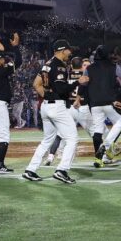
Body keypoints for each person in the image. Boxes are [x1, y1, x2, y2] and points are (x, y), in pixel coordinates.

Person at [23, 40, 80, 184]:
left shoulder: (47, 64)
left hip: (46, 107)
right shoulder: (59, 66)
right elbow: (62, 90)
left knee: (47, 140)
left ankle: (31, 170)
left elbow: (36, 84)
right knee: (72, 139)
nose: (70, 52)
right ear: (62, 50)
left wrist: (47, 97)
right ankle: (62, 170)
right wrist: (78, 82)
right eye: (68, 50)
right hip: (57, 107)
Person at [84, 45, 121, 168]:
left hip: (94, 104)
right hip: (109, 103)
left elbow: (84, 83)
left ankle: (98, 158)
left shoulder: (89, 68)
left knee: (98, 131)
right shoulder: (113, 67)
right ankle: (108, 149)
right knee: (120, 124)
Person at [0, 33, 21, 173]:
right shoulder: (0, 71)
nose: (4, 61)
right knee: (3, 135)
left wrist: (0, 52)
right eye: (2, 59)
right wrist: (15, 47)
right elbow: (19, 62)